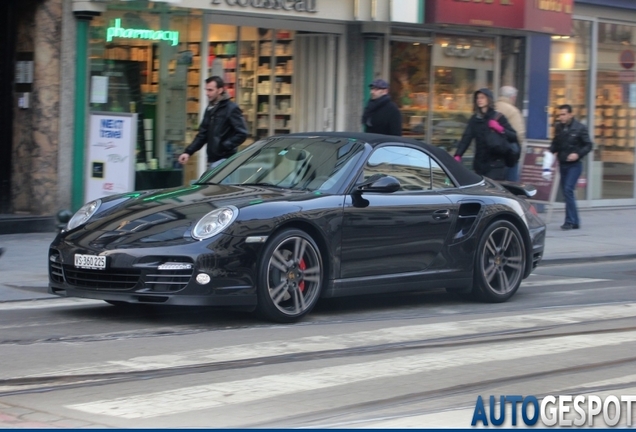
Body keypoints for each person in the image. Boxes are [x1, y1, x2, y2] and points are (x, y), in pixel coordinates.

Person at [178, 76, 247, 169]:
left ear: (220, 90)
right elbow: (202, 135)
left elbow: (242, 133)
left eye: (210, 90)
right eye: (206, 90)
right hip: (213, 159)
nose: (207, 93)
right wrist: (188, 152)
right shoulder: (210, 109)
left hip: (225, 160)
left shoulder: (231, 108)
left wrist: (224, 146)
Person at [545, 104, 593, 230]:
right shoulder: (559, 127)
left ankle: (570, 221)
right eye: (560, 114)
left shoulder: (580, 128)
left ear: (570, 114)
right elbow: (555, 144)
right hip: (563, 164)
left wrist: (577, 154)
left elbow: (588, 145)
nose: (561, 117)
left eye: (564, 114)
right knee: (567, 193)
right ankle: (575, 221)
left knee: (567, 190)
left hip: (575, 165)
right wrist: (548, 153)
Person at [454, 88, 518, 181]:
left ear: (489, 99)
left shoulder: (498, 117)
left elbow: (513, 136)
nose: (479, 100)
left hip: (496, 164)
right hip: (480, 164)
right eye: (477, 98)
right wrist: (458, 155)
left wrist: (499, 128)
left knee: (492, 191)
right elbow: (466, 138)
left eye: (482, 97)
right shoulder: (474, 119)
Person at [496, 86, 526, 181]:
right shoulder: (513, 111)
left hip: (491, 155)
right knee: (511, 185)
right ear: (513, 97)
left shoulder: (492, 107)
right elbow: (519, 134)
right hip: (508, 154)